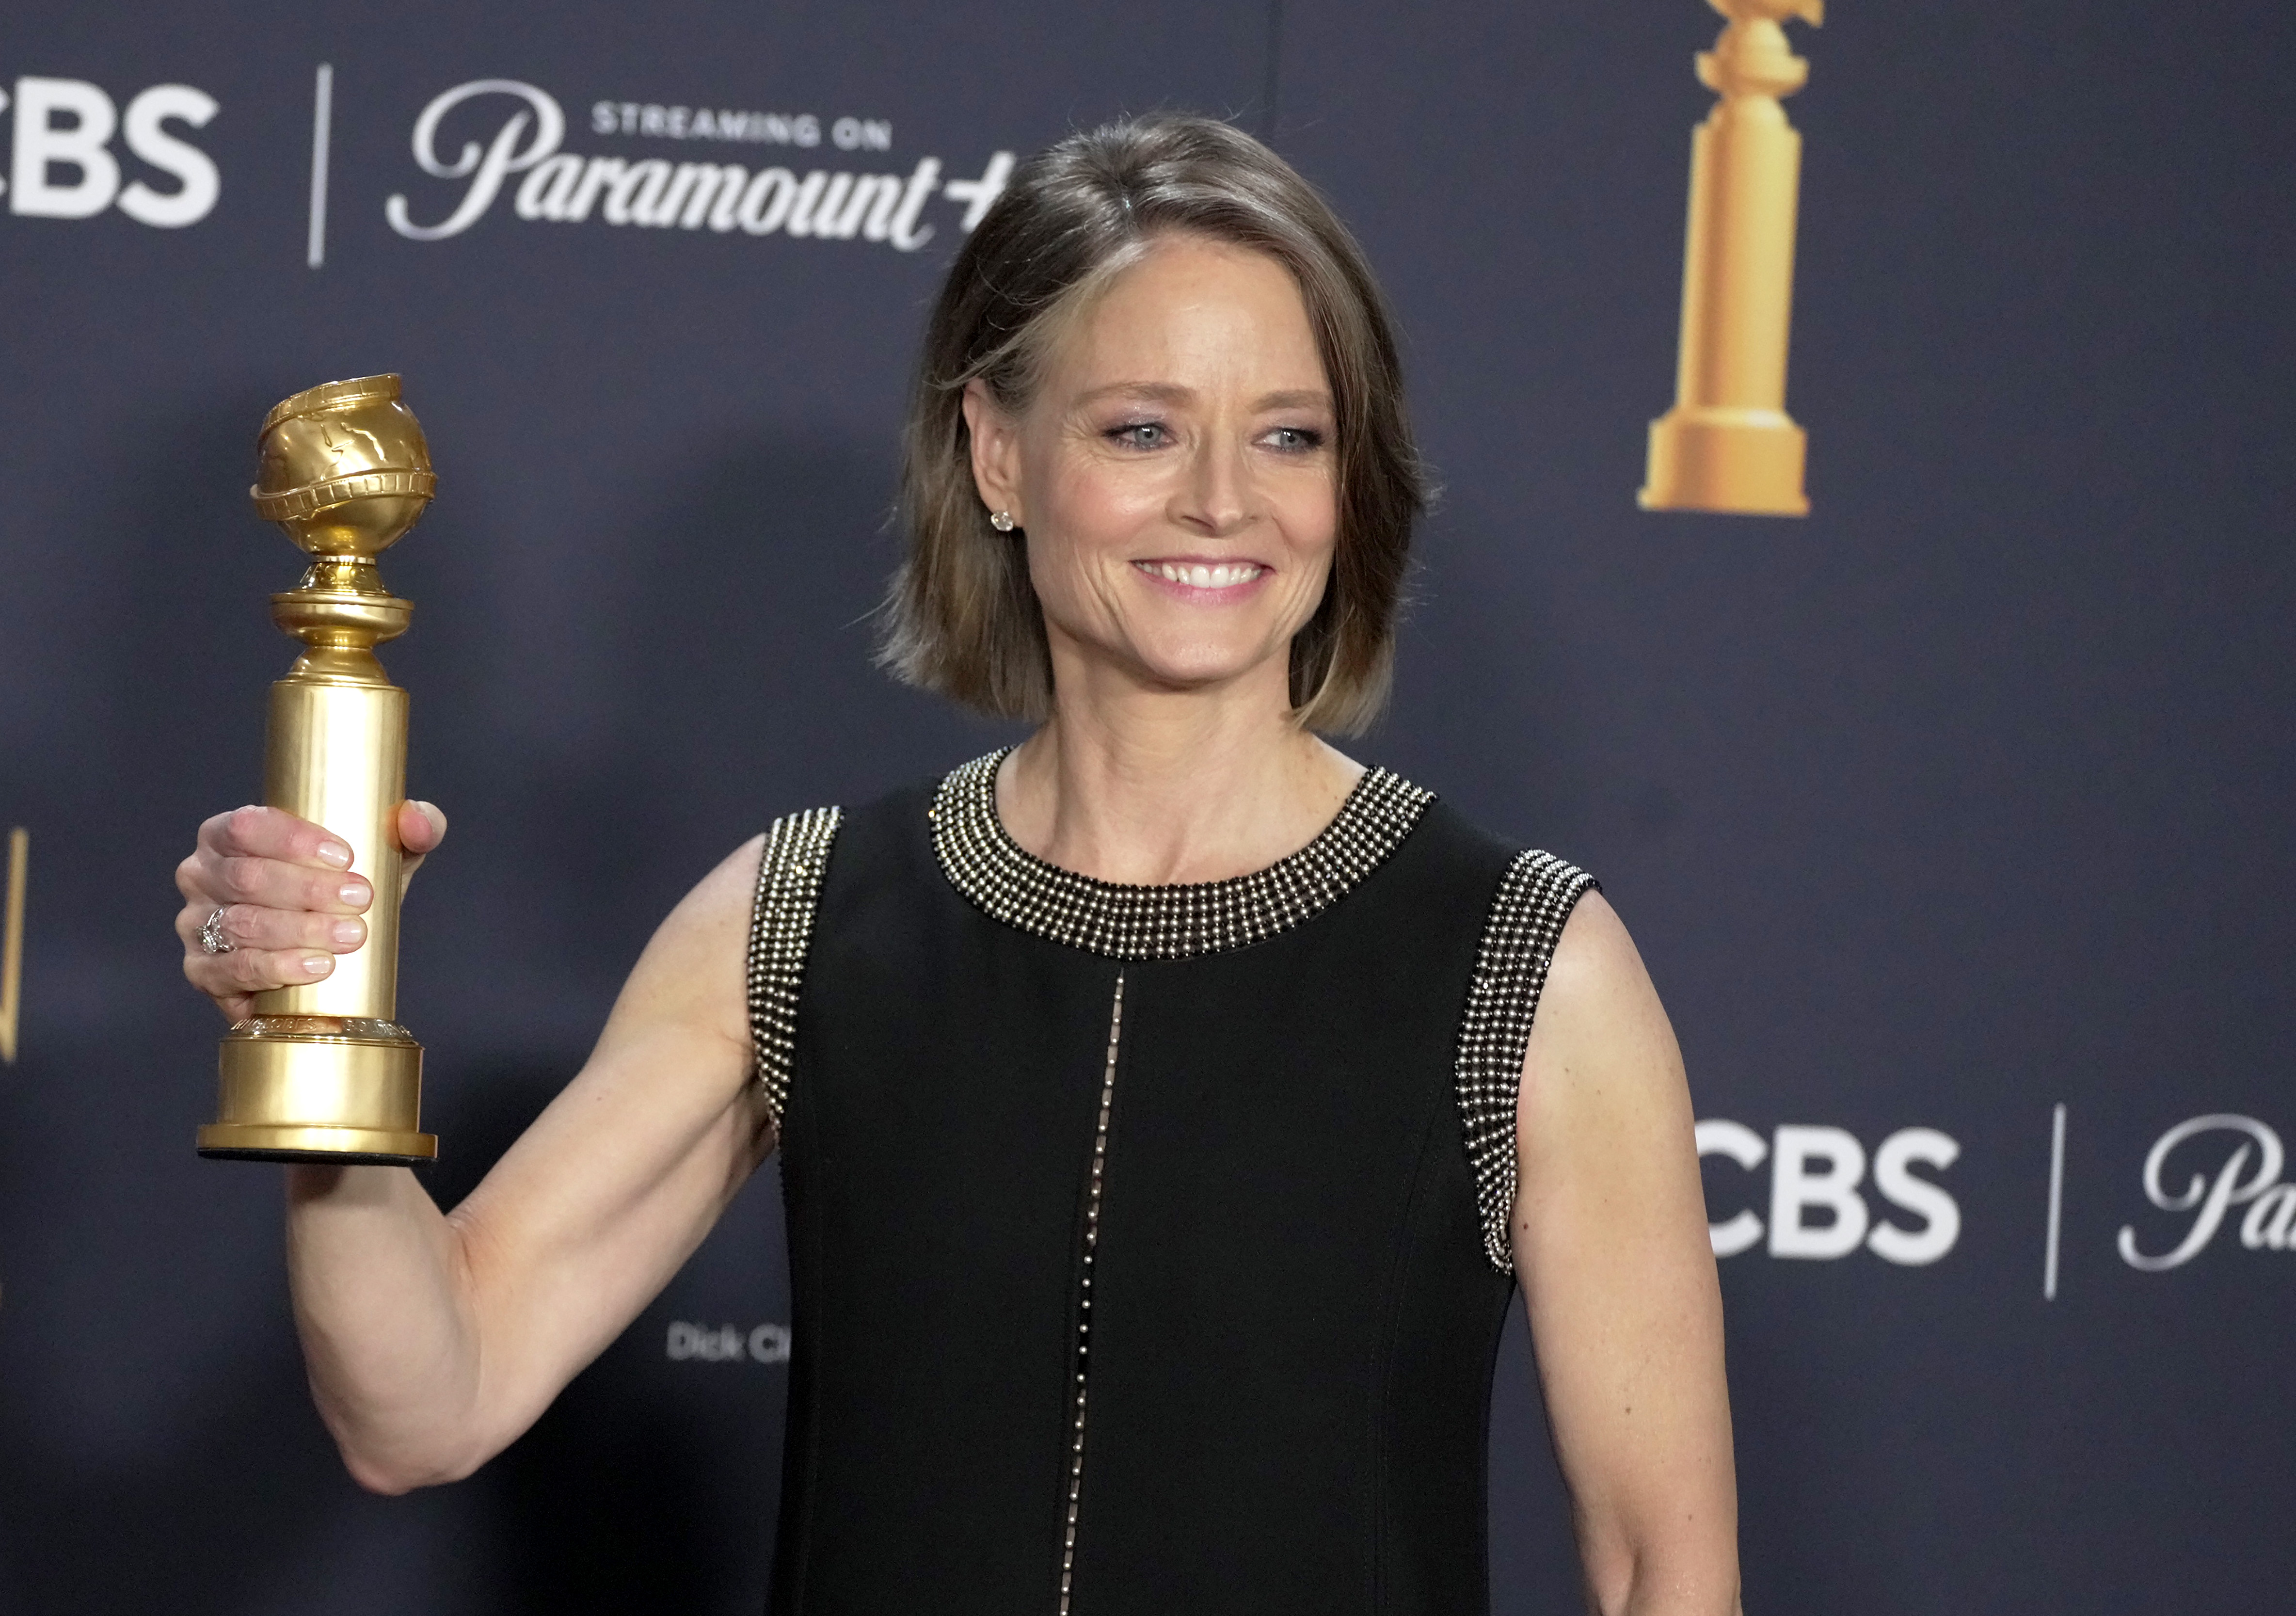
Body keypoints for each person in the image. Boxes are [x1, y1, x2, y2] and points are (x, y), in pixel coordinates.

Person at [175, 114, 1738, 1614]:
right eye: (1141, 429)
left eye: (1290, 436)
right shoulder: (800, 918)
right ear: (997, 453)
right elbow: (426, 1402)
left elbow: (1663, 1580)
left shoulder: (1524, 965)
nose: (1223, 500)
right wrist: (316, 1036)